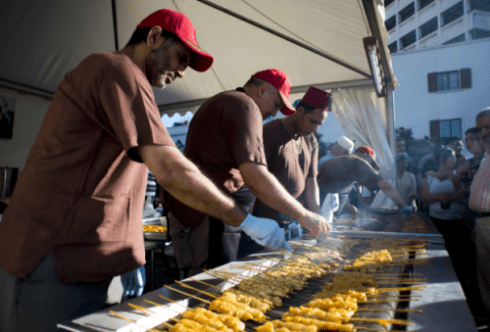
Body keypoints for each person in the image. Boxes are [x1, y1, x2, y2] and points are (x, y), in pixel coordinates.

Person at [0, 9, 290, 332]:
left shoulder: (131, 84)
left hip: (83, 260)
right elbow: (168, 167)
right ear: (153, 37)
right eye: (181, 58)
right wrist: (245, 219)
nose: (182, 73)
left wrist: (126, 248)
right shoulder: (116, 69)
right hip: (52, 255)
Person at [166, 69, 330, 277]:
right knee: (207, 289)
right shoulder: (244, 105)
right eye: (276, 105)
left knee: (216, 284)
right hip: (204, 218)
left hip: (217, 215)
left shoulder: (230, 102)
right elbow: (255, 174)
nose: (273, 113)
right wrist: (303, 215)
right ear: (263, 91)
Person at [253, 86, 330, 240]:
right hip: (266, 223)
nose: (315, 129)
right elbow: (256, 178)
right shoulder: (270, 132)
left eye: (319, 125)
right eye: (312, 121)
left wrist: (317, 216)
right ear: (300, 111)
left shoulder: (311, 141)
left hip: (295, 221)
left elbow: (311, 180)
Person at [420, 146, 483, 321]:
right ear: (443, 160)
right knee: (439, 262)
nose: (454, 161)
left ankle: (465, 300)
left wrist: (452, 197)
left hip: (456, 223)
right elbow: (424, 197)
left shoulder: (455, 177)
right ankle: (439, 297)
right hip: (436, 224)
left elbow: (463, 196)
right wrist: (440, 197)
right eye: (452, 159)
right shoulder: (429, 178)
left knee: (460, 261)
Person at [317, 146, 414, 217]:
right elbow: (385, 186)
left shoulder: (345, 161)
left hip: (322, 205)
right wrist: (402, 206)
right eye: (370, 162)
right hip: (322, 207)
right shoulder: (357, 163)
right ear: (364, 156)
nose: (369, 166)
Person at [469, 108, 490, 324]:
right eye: (480, 128)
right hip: (483, 222)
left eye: (487, 127)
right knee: (485, 275)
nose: (483, 133)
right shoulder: (486, 157)